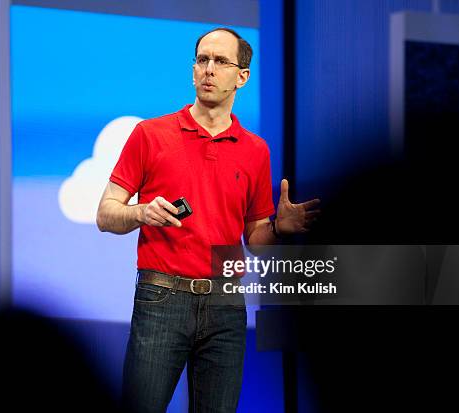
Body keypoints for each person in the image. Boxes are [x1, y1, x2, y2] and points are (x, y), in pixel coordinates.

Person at [96, 27, 320, 413]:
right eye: (202, 60)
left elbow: (254, 236)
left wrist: (279, 229)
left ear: (242, 77)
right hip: (161, 298)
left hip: (226, 304)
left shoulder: (255, 150)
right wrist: (141, 212)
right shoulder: (150, 134)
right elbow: (105, 213)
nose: (208, 70)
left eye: (220, 62)